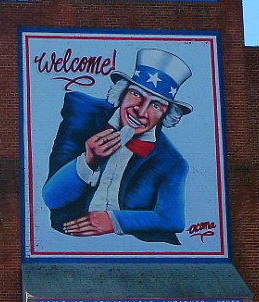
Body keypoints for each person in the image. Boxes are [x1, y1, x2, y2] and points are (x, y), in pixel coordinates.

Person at [42, 48, 194, 244]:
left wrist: (115, 221)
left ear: (166, 115)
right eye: (136, 94)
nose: (141, 111)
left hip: (140, 251)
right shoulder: (82, 114)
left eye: (156, 105)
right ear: (122, 93)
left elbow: (173, 220)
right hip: (68, 242)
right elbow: (51, 199)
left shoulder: (173, 162)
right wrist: (88, 161)